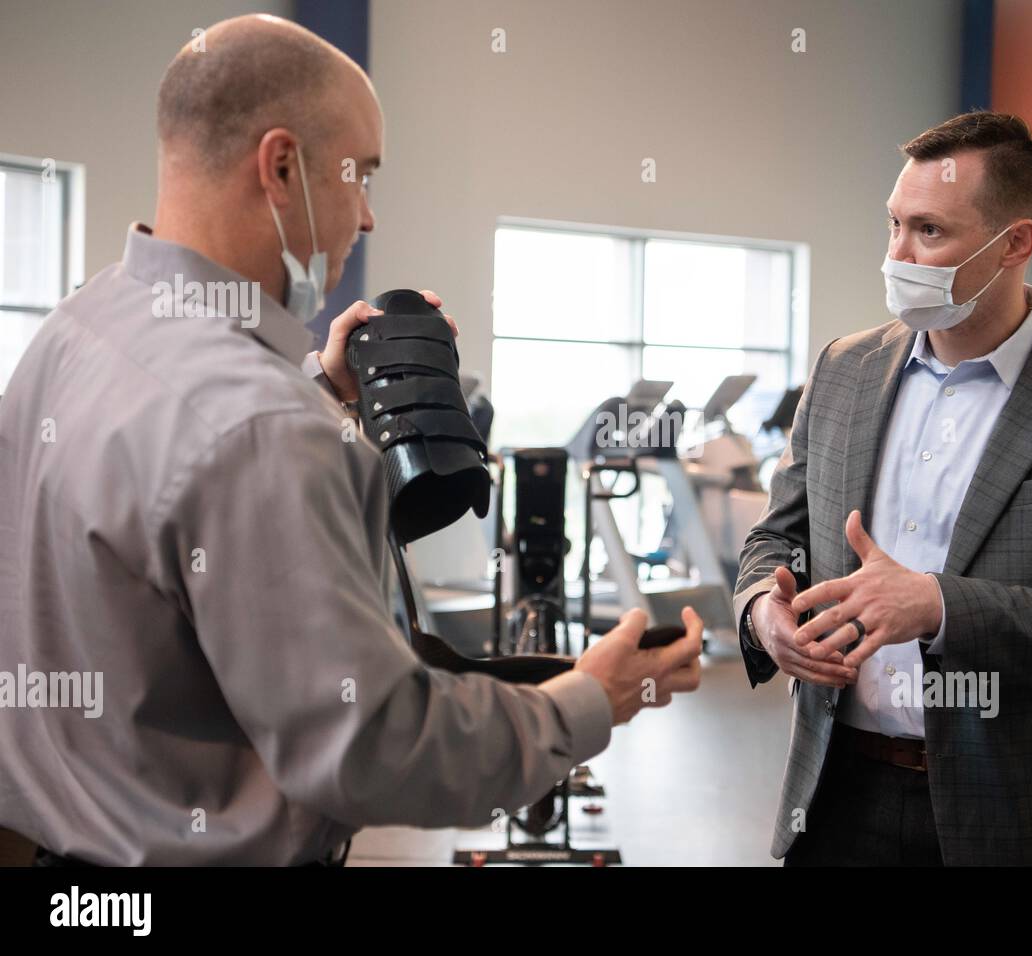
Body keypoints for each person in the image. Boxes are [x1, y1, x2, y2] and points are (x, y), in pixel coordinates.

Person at [0, 14, 701, 866]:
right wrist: (592, 700)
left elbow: (163, 523)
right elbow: (377, 750)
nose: (366, 216)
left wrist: (316, 397)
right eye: (360, 175)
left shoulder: (76, 329)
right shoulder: (261, 430)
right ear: (283, 167)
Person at [735, 111, 1032, 865]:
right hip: (841, 790)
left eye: (929, 232)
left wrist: (939, 606)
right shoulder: (843, 371)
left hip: (1024, 808)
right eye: (893, 226)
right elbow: (774, 536)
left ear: (1015, 244)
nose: (897, 255)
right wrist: (761, 614)